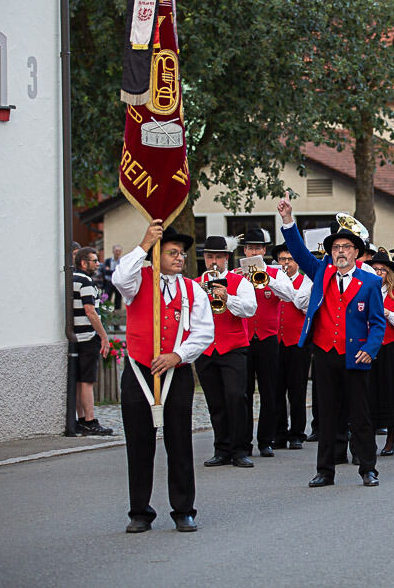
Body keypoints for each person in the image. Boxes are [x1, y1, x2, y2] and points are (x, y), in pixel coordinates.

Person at [277, 192, 385, 487]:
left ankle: (368, 468)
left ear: (356, 253)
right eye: (336, 247)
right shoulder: (321, 272)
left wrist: (370, 349)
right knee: (326, 415)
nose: (340, 252)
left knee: (360, 416)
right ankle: (325, 470)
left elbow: (377, 323)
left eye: (346, 247)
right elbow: (298, 252)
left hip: (356, 356)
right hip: (324, 353)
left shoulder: (372, 282)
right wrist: (288, 220)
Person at [112, 221, 214, 533]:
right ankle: (139, 512)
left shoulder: (192, 289)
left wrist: (178, 355)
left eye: (182, 253)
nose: (180, 257)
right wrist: (144, 244)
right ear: (157, 256)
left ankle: (184, 510)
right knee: (139, 444)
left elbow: (204, 332)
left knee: (180, 444)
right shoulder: (137, 281)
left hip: (175, 373)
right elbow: (119, 277)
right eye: (172, 252)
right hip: (139, 371)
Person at [194, 236, 257, 468]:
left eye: (218, 257)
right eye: (210, 256)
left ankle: (240, 449)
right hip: (206, 350)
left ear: (226, 258)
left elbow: (250, 309)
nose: (214, 261)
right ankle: (221, 448)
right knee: (215, 401)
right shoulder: (195, 283)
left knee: (236, 397)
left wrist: (227, 297)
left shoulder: (240, 282)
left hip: (233, 348)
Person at [236, 228, 296, 458]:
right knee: (244, 392)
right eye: (250, 247)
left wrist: (267, 278)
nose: (253, 251)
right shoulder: (235, 273)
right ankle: (243, 441)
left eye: (258, 248)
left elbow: (289, 295)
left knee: (270, 391)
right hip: (244, 338)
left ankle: (266, 440)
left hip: (269, 338)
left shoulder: (275, 271)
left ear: (264, 250)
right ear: (245, 250)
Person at [366, 251, 394, 456]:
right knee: (369, 393)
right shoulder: (364, 291)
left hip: (391, 348)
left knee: (392, 392)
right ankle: (368, 438)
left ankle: (391, 438)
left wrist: (388, 313)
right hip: (369, 347)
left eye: (382, 270)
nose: (378, 273)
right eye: (375, 270)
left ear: (388, 274)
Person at [274, 243, 313, 450]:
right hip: (277, 341)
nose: (286, 263)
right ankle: (279, 433)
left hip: (298, 341)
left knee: (297, 389)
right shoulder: (271, 280)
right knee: (277, 389)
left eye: (290, 259)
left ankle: (297, 432)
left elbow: (303, 306)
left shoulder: (305, 281)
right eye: (282, 259)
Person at [72, 247, 112, 436]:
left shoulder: (71, 279)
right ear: (83, 263)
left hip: (75, 337)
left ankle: (81, 419)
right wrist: (104, 336)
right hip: (87, 337)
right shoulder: (86, 281)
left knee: (79, 381)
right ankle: (90, 420)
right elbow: (90, 311)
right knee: (87, 381)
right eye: (94, 261)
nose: (98, 264)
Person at [102, 245, 123, 311]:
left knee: (118, 298)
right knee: (107, 298)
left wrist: (111, 271)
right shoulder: (108, 261)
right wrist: (116, 271)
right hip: (109, 282)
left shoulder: (122, 261)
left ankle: (118, 313)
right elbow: (105, 271)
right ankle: (106, 312)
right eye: (116, 251)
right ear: (113, 251)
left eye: (119, 251)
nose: (117, 252)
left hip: (118, 282)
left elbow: (122, 272)